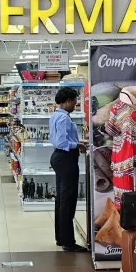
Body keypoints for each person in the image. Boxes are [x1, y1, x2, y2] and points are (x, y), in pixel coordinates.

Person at [49, 86, 88, 252]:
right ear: (67, 101)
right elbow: (63, 143)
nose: (75, 105)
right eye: (74, 102)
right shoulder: (64, 118)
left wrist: (77, 142)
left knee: (61, 199)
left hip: (59, 158)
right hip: (65, 159)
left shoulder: (56, 115)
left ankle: (61, 237)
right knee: (68, 201)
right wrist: (78, 145)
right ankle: (68, 242)